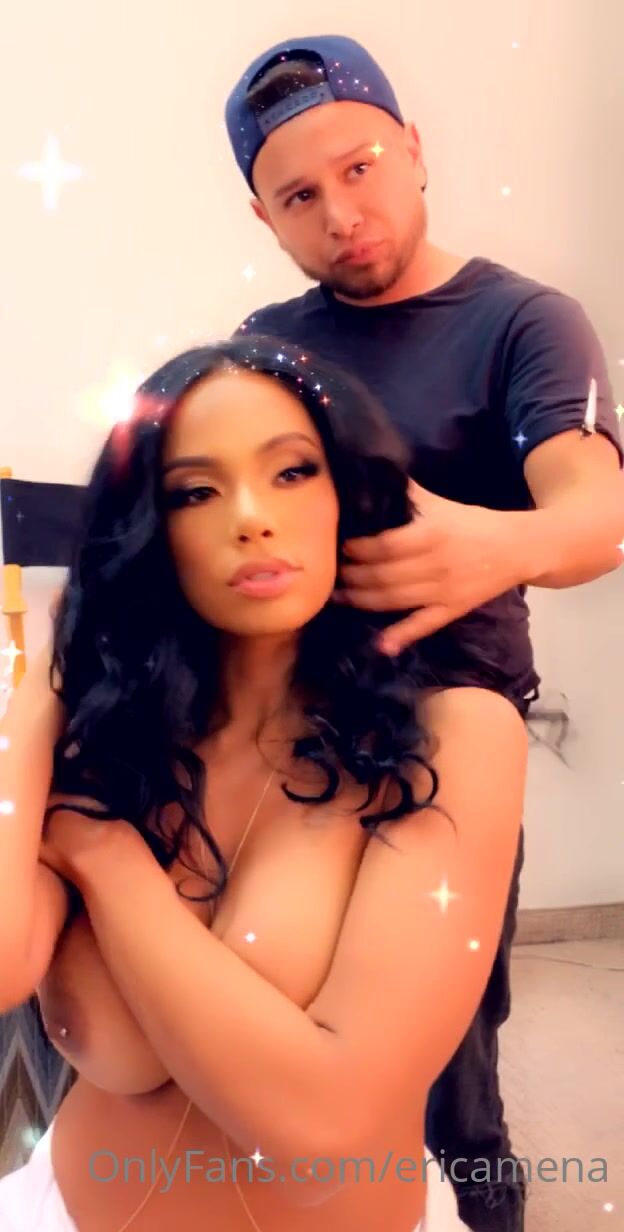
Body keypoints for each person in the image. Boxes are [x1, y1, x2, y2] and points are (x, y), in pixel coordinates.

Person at [223, 35, 624, 1232]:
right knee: (284, 1017)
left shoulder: (527, 321)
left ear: (413, 148)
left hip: (459, 746)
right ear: (265, 217)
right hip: (291, 735)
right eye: (301, 195)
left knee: (451, 1049)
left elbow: (597, 512)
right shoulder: (267, 343)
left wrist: (493, 545)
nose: (343, 213)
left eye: (361, 167)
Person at [0, 336, 529, 1230]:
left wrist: (107, 860)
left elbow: (322, 1128)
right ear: (151, 532)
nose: (250, 517)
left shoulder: (454, 736)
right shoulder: (111, 742)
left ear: (346, 493)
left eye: (291, 472)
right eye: (194, 491)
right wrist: (48, 681)